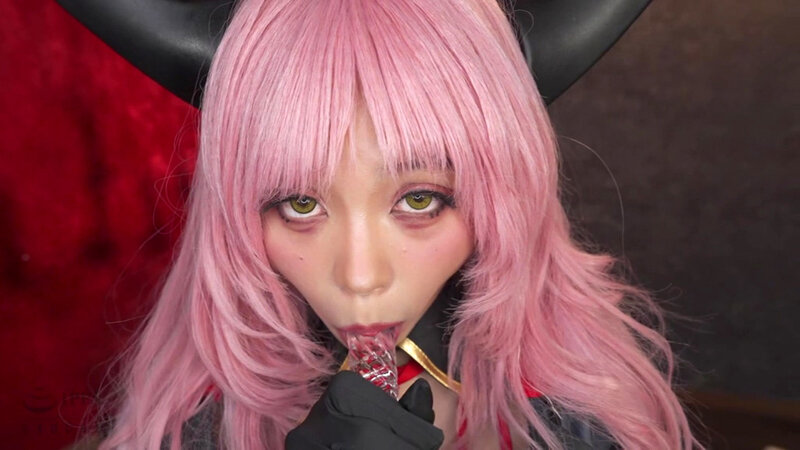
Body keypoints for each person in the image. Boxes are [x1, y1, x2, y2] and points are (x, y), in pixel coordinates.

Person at [62, 0, 702, 448]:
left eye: (419, 201)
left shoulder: (579, 419)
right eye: (301, 205)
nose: (361, 276)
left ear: (502, 196)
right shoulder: (191, 431)